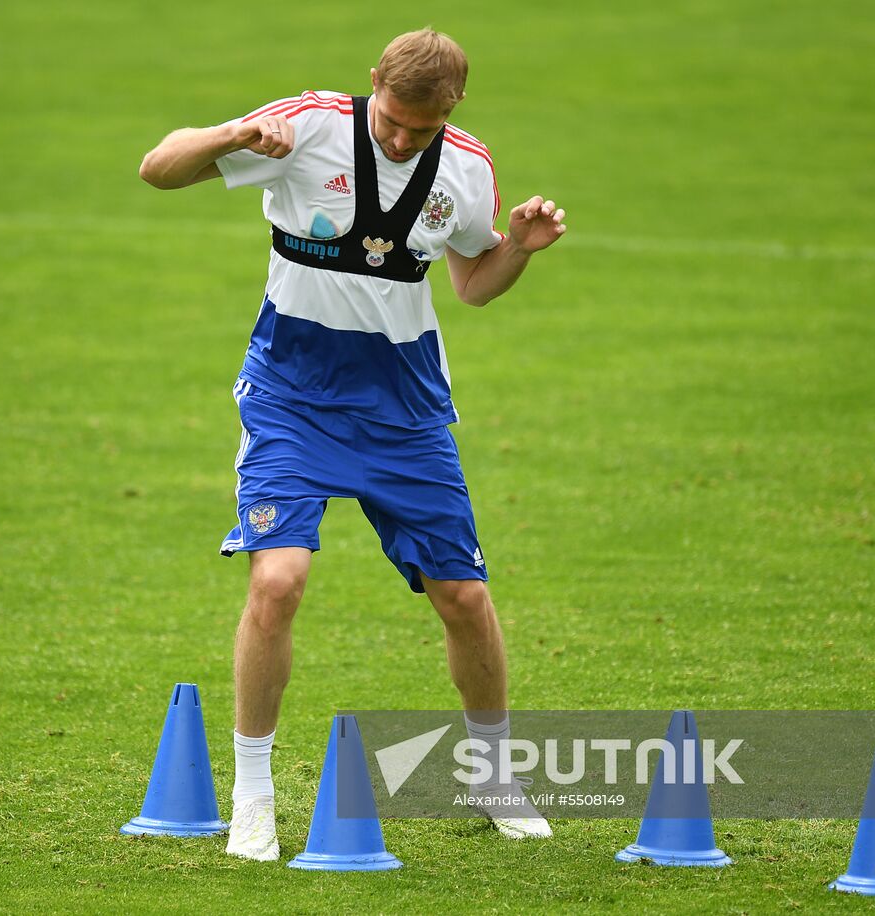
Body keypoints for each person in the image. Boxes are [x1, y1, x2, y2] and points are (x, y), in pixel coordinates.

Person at [139, 28, 566, 861]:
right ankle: (254, 797)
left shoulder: (468, 167)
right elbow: (158, 167)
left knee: (466, 600)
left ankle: (490, 774)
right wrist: (231, 135)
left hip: (405, 410)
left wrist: (517, 246)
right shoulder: (308, 127)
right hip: (292, 399)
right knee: (280, 580)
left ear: (455, 109)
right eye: (394, 120)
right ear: (373, 82)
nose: (404, 139)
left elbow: (473, 284)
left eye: (423, 128)